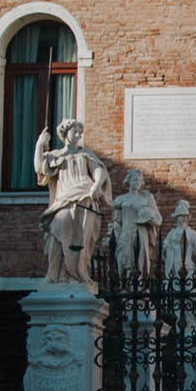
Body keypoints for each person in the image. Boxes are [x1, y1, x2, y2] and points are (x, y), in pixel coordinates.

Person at [33, 117, 112, 289]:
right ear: (65, 133)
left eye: (80, 133)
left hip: (84, 197)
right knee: (56, 233)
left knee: (81, 238)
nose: (77, 135)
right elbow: (40, 168)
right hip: (63, 200)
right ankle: (53, 274)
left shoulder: (86, 154)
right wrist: (40, 145)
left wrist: (96, 186)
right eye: (74, 132)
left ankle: (78, 274)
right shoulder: (56, 155)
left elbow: (99, 170)